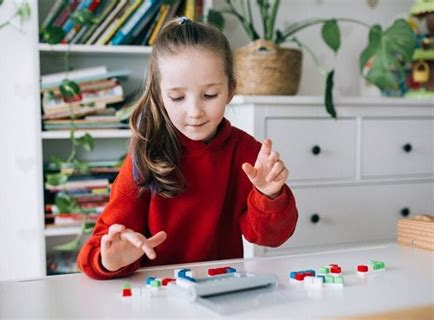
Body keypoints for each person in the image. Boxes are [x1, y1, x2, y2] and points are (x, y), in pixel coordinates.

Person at [77, 17, 298, 280]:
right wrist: (110, 260)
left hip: (220, 288)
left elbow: (268, 237)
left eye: (209, 95)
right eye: (177, 97)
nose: (195, 112)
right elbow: (95, 251)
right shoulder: (145, 157)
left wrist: (269, 195)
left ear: (230, 90)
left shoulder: (248, 155)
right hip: (158, 293)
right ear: (160, 96)